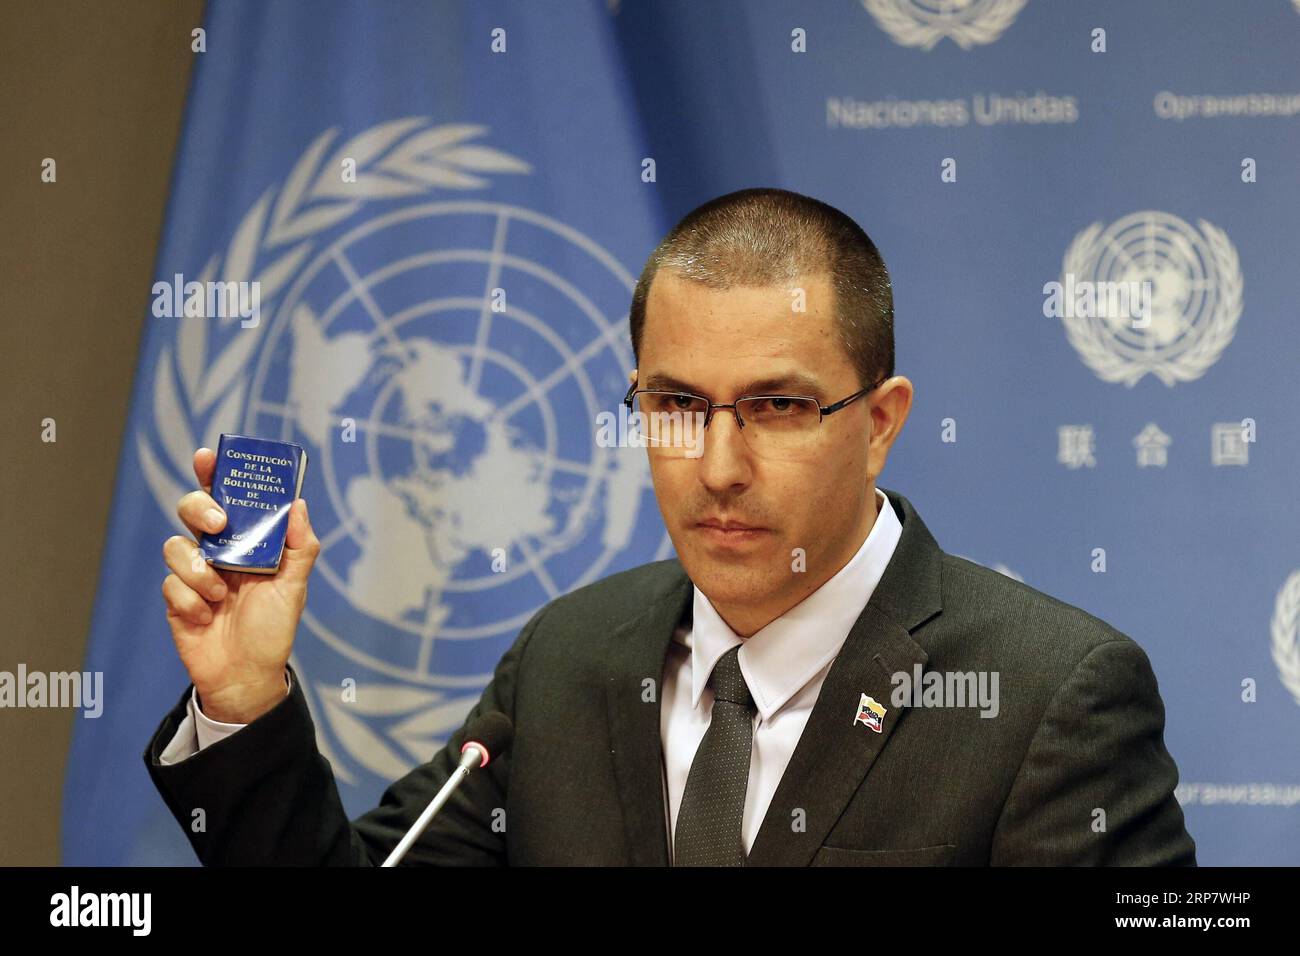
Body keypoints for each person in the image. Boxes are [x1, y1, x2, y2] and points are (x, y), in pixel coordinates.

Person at [146, 187, 1196, 866]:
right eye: (677, 406)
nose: (719, 466)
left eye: (778, 407)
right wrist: (244, 702)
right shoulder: (567, 657)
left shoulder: (1052, 695)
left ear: (878, 424)